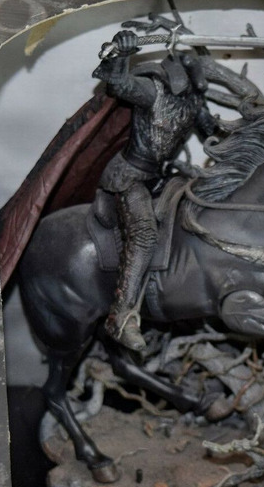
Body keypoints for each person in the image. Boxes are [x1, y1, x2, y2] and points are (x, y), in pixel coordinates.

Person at [93, 29, 217, 351]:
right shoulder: (152, 91)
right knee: (145, 234)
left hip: (162, 177)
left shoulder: (194, 101)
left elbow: (214, 134)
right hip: (129, 176)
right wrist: (123, 53)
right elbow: (118, 84)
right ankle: (120, 318)